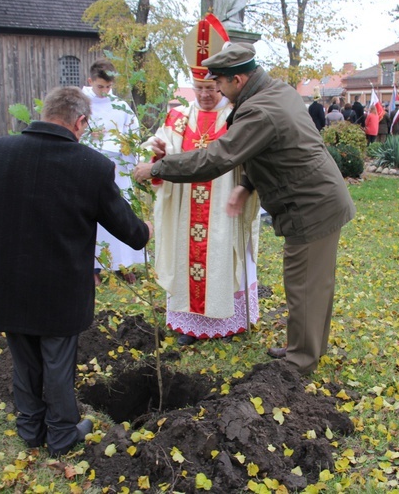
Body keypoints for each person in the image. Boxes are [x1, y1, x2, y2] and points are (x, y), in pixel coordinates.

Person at [134, 42, 356, 375]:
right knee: (313, 284)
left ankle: (300, 361)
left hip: (310, 206)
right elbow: (275, 149)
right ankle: (305, 348)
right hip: (316, 198)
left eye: (220, 83)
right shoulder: (276, 91)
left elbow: (217, 158)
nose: (217, 91)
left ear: (237, 80)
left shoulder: (259, 109)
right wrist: (246, 185)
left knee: (305, 286)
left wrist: (157, 169)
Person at [0, 86, 152, 456]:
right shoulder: (92, 166)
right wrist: (147, 228)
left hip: (8, 284)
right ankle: (63, 433)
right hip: (60, 289)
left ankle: (30, 428)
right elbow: (130, 233)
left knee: (23, 359)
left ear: (45, 111)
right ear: (80, 121)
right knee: (57, 361)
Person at [151, 14, 260, 346]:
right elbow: (162, 147)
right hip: (186, 211)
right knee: (188, 258)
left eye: (211, 88)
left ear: (222, 85)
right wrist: (159, 153)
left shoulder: (236, 116)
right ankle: (188, 322)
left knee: (223, 258)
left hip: (224, 208)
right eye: (198, 88)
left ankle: (227, 321)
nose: (205, 95)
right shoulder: (180, 117)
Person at [82, 59, 144, 285]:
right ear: (90, 81)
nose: (105, 91)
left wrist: (128, 145)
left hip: (118, 170)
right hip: (91, 167)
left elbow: (133, 132)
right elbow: (71, 132)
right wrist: (89, 136)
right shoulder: (80, 103)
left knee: (120, 212)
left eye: (109, 87)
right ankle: (93, 266)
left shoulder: (120, 106)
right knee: (93, 215)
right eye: (100, 87)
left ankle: (123, 263)